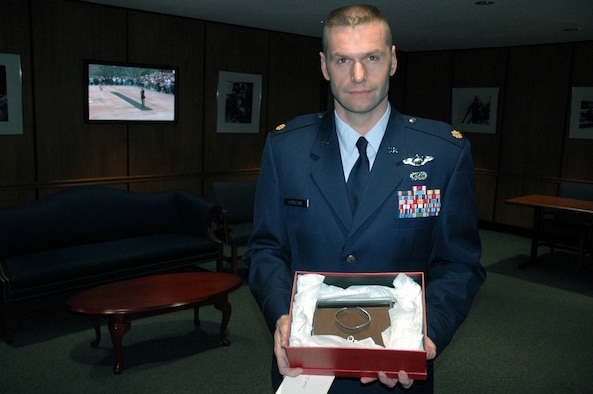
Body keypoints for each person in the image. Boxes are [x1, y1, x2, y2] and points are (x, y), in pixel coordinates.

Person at [244, 4, 486, 393]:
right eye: (343, 60)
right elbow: (265, 250)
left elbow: (459, 263)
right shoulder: (285, 148)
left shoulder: (443, 153)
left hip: (399, 370)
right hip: (306, 366)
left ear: (392, 60)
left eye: (371, 57)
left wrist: (426, 333)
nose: (358, 75)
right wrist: (282, 315)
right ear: (324, 66)